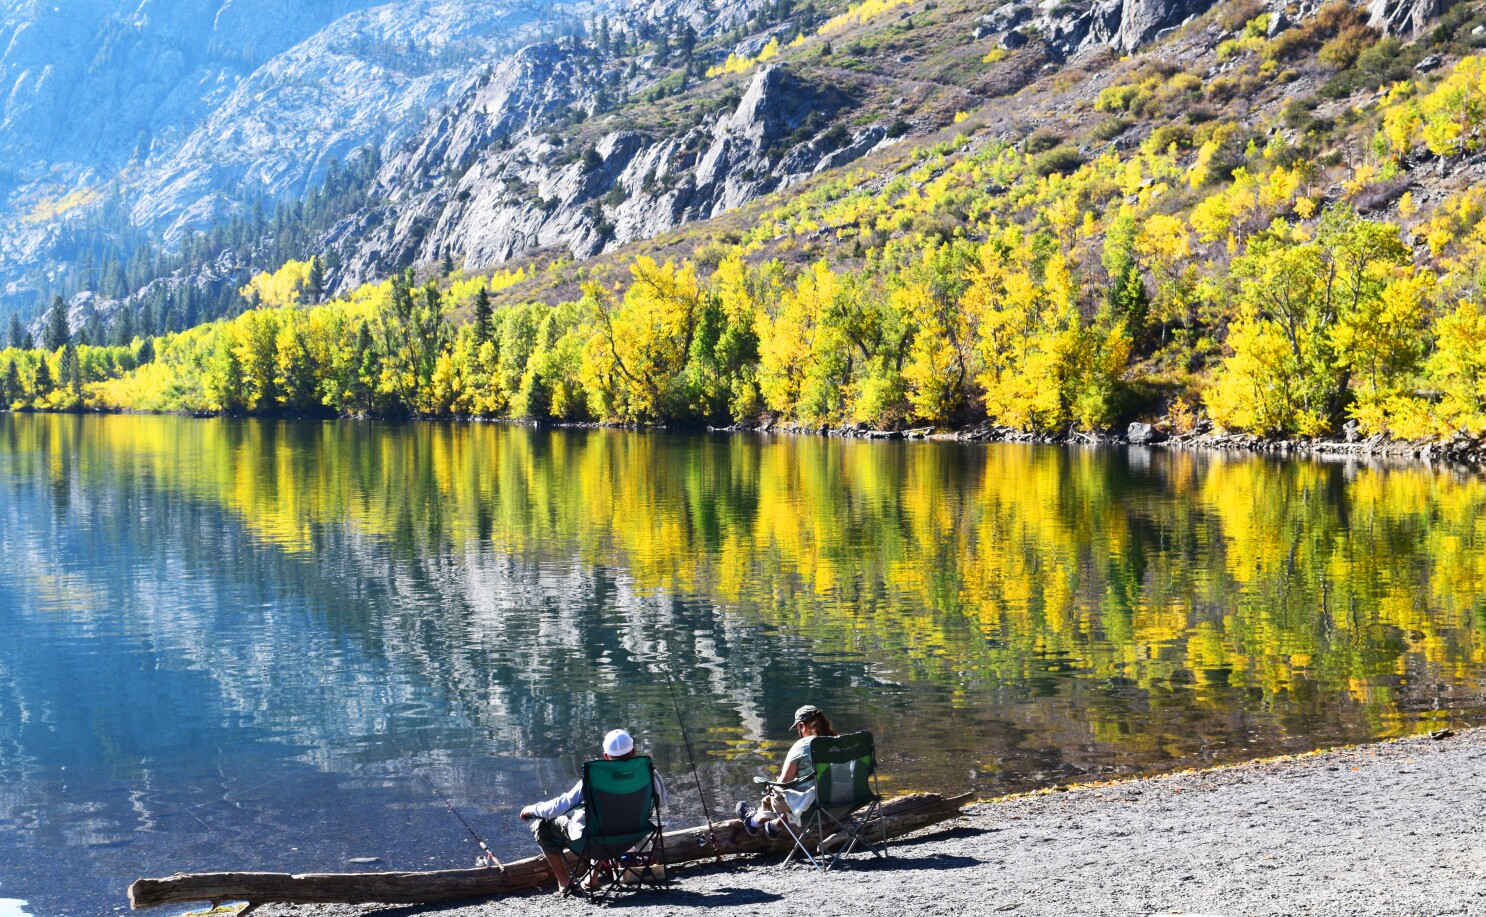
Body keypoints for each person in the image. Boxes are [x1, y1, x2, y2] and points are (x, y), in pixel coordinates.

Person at [519, 728, 668, 895]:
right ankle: (591, 878)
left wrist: (531, 809)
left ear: (605, 756)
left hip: (596, 840)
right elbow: (661, 801)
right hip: (634, 835)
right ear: (633, 751)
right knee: (601, 819)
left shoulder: (595, 777)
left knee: (541, 823)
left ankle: (565, 882)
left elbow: (560, 806)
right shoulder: (648, 772)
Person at [735, 704, 839, 838]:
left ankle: (754, 821)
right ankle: (774, 826)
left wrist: (777, 782)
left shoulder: (803, 745)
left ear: (802, 726)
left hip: (812, 805)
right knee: (804, 791)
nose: (798, 732)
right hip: (839, 801)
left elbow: (785, 782)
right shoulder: (837, 742)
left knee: (779, 791)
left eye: (797, 728)